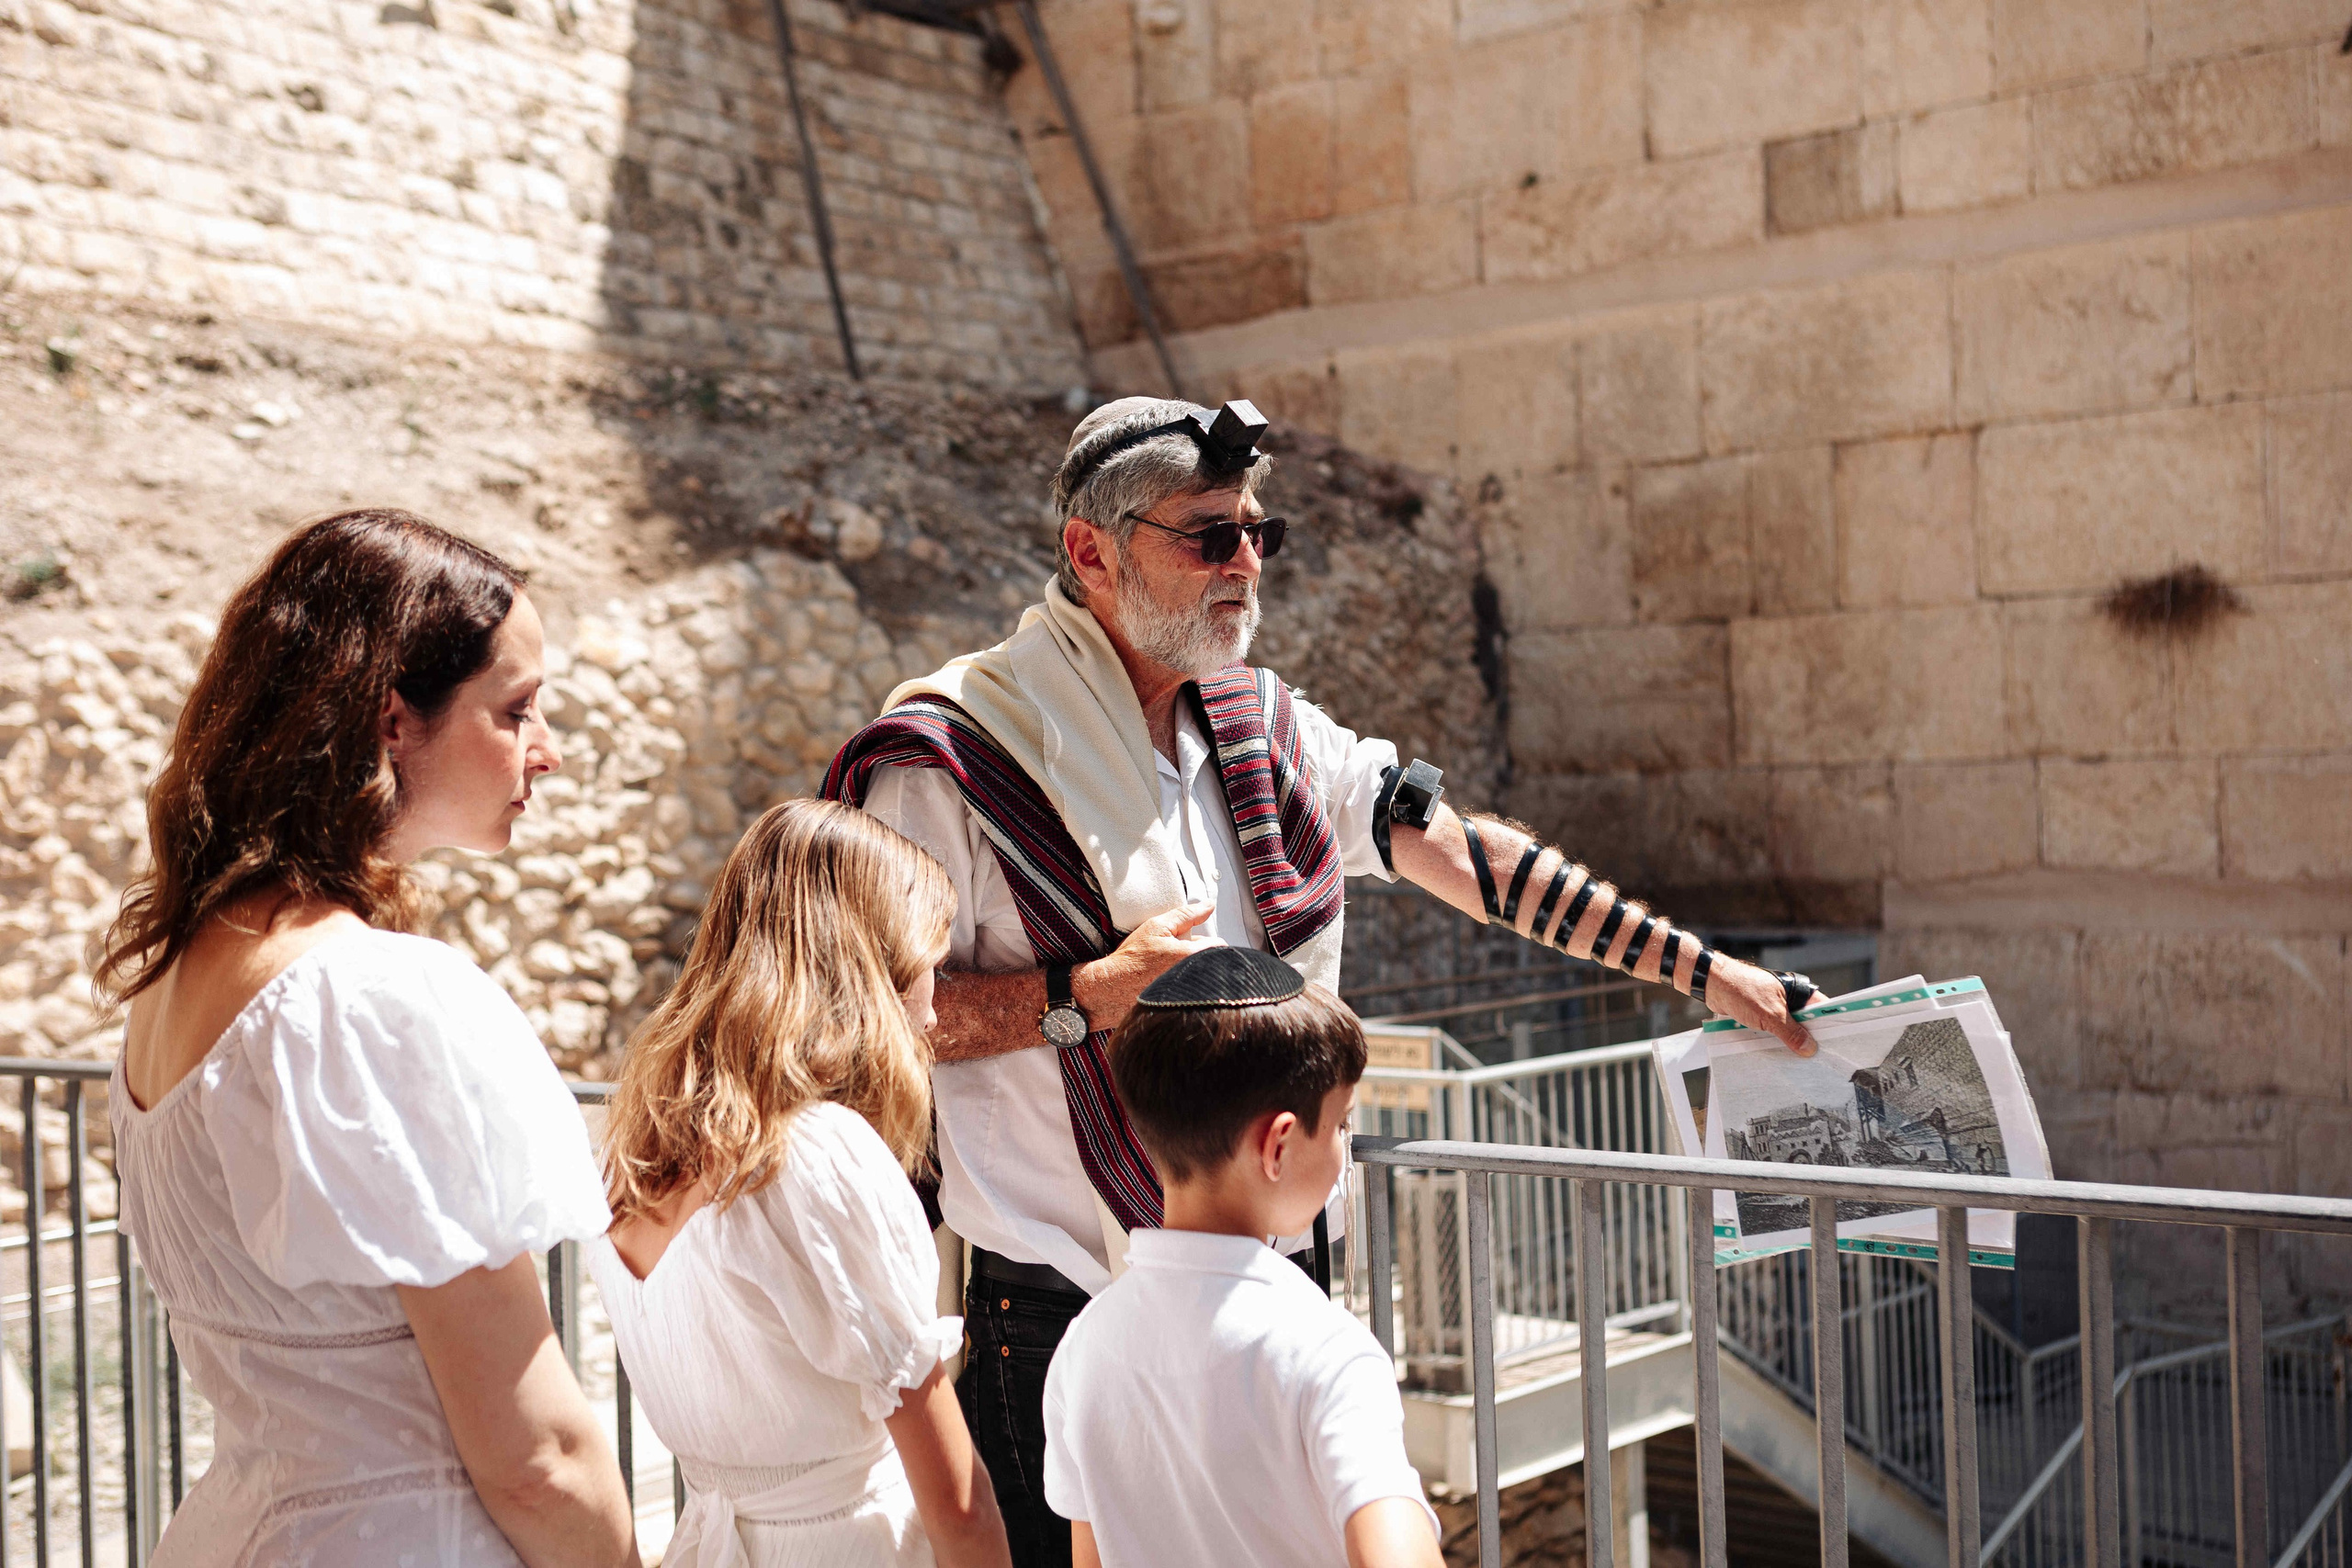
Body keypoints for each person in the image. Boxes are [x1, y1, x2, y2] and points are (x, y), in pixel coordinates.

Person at [821, 396, 1822, 1565]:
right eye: (1208, 536)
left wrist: (1704, 974)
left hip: (1270, 1280)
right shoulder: (955, 756)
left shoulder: (1266, 730)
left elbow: (1464, 854)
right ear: (1090, 551)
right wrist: (1077, 995)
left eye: (1259, 532)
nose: (1245, 563)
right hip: (1060, 1311)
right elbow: (866, 1021)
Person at [98, 509, 636, 1567]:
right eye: (516, 710)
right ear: (392, 720)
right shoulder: (370, 996)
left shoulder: (179, 980)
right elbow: (536, 1457)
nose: (549, 753)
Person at [589, 798, 1012, 1568]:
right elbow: (958, 1502)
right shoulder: (821, 1156)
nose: (933, 1004)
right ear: (869, 971)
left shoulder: (630, 1155)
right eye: (929, 963)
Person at [1041, 946, 1442, 1568]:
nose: (1344, 1147)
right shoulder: (1325, 1351)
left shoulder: (1083, 1346)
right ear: (1278, 1144)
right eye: (1339, 1125)